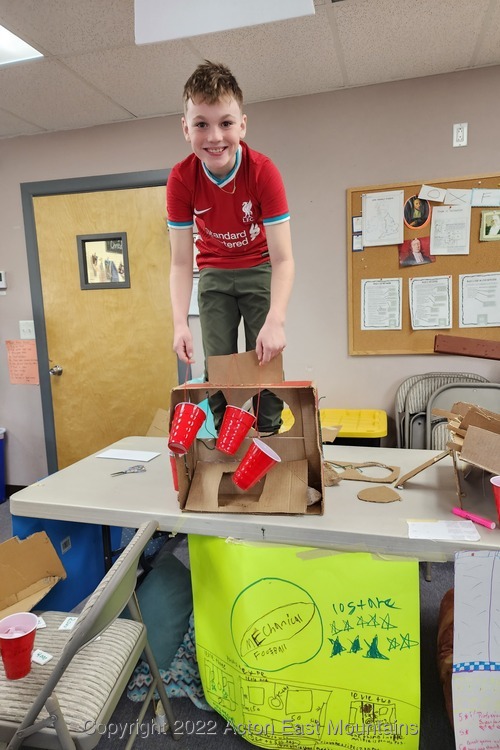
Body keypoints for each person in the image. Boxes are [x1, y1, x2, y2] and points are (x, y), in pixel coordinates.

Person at [167, 61, 295, 435]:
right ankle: (226, 439)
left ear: (242, 124)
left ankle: (268, 436)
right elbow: (178, 263)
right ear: (185, 128)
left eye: (225, 123)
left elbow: (284, 259)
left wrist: (276, 320)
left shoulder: (262, 171)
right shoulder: (181, 179)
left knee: (265, 362)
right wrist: (179, 324)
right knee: (218, 364)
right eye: (201, 124)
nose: (214, 136)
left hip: (259, 269)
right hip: (214, 275)